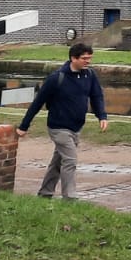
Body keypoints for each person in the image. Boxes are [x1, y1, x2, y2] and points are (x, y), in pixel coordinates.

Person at [17, 42, 109, 200]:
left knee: (58, 161)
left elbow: (96, 96)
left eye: (90, 58)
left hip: (76, 127)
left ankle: (45, 193)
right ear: (73, 58)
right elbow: (38, 102)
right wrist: (24, 126)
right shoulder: (56, 78)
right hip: (58, 127)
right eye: (84, 58)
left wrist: (102, 116)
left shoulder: (90, 75)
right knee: (70, 159)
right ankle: (70, 197)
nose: (88, 61)